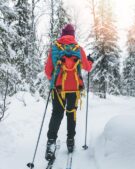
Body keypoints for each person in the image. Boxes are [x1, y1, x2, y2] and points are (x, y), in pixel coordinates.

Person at [44, 24, 93, 160]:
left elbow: (48, 71)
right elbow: (87, 68)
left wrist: (54, 80)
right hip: (74, 89)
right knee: (71, 113)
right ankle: (70, 142)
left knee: (57, 114)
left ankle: (51, 144)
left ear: (62, 34)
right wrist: (90, 61)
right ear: (73, 35)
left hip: (58, 89)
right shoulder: (79, 49)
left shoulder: (55, 49)